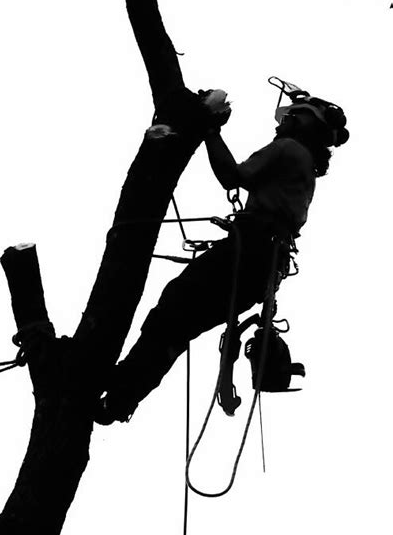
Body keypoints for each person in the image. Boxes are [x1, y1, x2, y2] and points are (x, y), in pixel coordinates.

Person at [94, 94, 349, 425]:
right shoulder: (303, 164)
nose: (280, 123)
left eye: (289, 117)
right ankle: (120, 398)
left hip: (251, 252)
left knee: (173, 308)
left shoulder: (288, 149)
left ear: (304, 123)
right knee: (179, 325)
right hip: (261, 268)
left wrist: (209, 130)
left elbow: (233, 176)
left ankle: (119, 385)